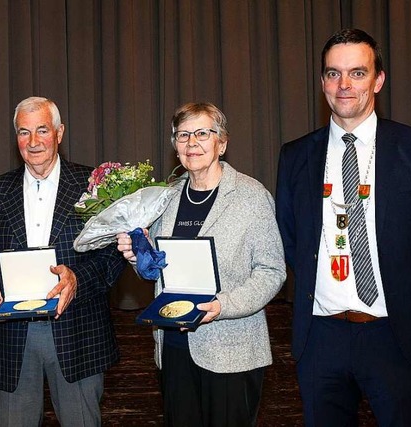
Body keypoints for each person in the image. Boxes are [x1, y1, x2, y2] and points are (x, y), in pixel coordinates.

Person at [275, 28, 411, 426]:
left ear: (378, 80)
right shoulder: (296, 155)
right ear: (322, 81)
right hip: (320, 337)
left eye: (357, 73)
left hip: (393, 334)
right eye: (333, 73)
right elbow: (290, 237)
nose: (344, 85)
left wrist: (407, 293)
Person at [117, 102, 286, 426]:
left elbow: (272, 271)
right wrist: (137, 256)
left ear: (221, 142)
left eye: (202, 133)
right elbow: (157, 268)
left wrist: (222, 305)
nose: (191, 143)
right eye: (183, 135)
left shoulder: (251, 196)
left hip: (231, 350)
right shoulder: (165, 198)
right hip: (174, 347)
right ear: (175, 146)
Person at [0, 96, 126, 426]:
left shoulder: (94, 187)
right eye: (24, 132)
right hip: (13, 337)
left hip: (77, 330)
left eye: (42, 130)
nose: (34, 141)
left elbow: (112, 258)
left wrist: (77, 280)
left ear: (59, 132)